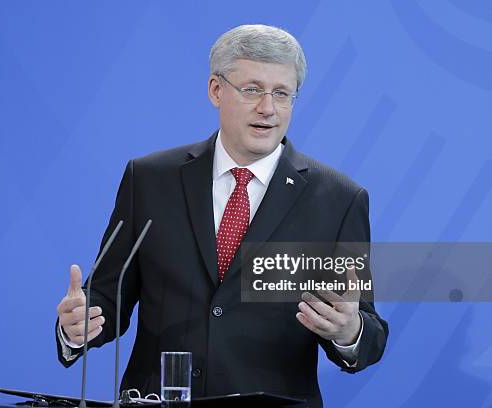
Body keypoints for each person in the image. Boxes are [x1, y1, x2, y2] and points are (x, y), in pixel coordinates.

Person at [55, 24, 388, 407]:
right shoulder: (149, 179)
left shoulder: (338, 199)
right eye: (252, 90)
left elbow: (367, 330)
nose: (268, 108)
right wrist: (78, 325)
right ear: (216, 90)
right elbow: (108, 296)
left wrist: (350, 331)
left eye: (282, 93)